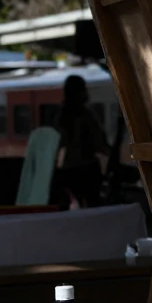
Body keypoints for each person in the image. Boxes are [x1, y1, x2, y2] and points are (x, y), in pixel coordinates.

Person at [53, 74, 109, 209]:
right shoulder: (87, 116)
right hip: (86, 169)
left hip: (66, 170)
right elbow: (99, 144)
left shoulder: (61, 116)